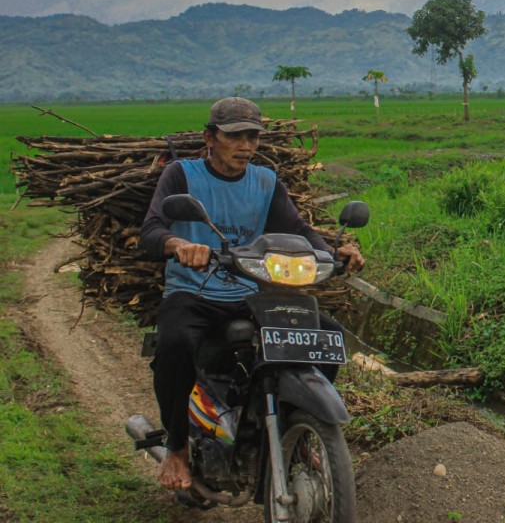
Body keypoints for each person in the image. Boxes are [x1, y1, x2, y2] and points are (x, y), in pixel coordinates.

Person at [140, 97, 364, 492]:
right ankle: (176, 447)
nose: (245, 145)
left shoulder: (264, 181)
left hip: (247, 293)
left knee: (324, 334)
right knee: (175, 343)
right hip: (194, 293)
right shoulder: (182, 175)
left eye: (252, 137)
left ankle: (294, 425)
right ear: (210, 137)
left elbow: (297, 229)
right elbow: (152, 229)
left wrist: (332, 251)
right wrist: (178, 245)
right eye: (235, 136)